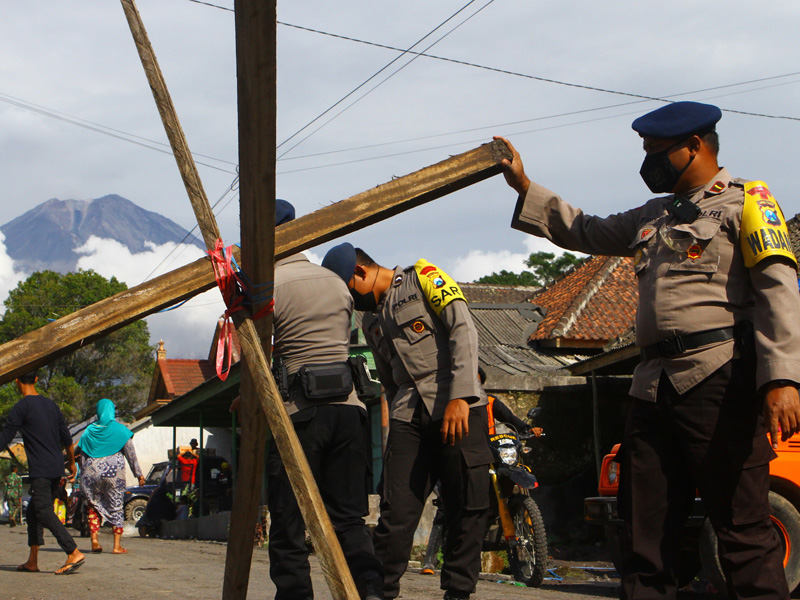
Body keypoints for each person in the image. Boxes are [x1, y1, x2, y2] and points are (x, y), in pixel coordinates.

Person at [496, 100, 800, 600]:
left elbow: (778, 290)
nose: (647, 162)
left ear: (695, 146)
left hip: (720, 380)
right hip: (653, 387)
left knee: (742, 533)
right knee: (644, 537)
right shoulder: (652, 216)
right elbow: (587, 230)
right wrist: (526, 188)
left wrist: (781, 378)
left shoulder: (747, 203)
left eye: (656, 151)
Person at [322, 243, 492, 600]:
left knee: (467, 505)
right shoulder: (369, 321)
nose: (352, 302)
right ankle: (379, 592)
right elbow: (388, 380)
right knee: (395, 512)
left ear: (360, 272)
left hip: (456, 404)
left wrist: (462, 395)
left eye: (350, 291)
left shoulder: (424, 278)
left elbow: (463, 328)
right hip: (409, 417)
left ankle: (459, 591)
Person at [265, 200, 382, 600]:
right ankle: (370, 590)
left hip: (302, 413)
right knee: (348, 518)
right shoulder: (335, 281)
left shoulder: (269, 284)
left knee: (288, 522)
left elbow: (261, 352)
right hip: (349, 411)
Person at [420, 366, 542, 574]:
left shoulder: (490, 402)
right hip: (458, 457)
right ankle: (430, 559)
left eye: (476, 381)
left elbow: (512, 420)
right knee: (445, 505)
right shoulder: (449, 404)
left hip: (488, 454)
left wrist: (528, 430)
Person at [0, 370, 85, 574]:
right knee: (33, 513)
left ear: (16, 382)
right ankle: (32, 561)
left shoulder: (20, 408)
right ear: (37, 380)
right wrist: (72, 464)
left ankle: (72, 551)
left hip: (41, 469)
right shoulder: (51, 405)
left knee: (42, 510)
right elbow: (66, 438)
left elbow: (5, 437)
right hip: (57, 468)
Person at [77, 398, 145, 554]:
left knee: (93, 506)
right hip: (114, 474)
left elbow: (82, 457)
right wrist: (139, 475)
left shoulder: (89, 431)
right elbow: (131, 454)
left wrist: (85, 474)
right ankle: (116, 546)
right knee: (116, 507)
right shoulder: (121, 430)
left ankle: (94, 540)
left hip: (91, 472)